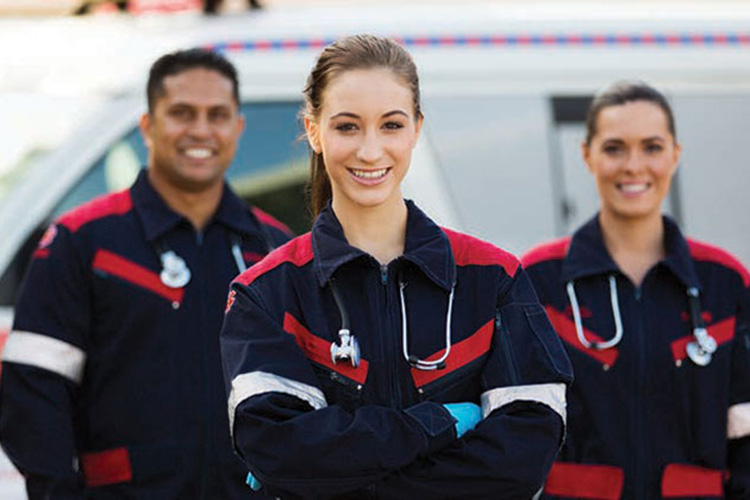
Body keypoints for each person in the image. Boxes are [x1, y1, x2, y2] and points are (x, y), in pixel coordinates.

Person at [220, 34, 573, 499]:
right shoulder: (265, 293)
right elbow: (281, 453)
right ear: (313, 130)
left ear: (417, 128)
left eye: (391, 125)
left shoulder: (493, 278)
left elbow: (524, 458)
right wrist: (436, 423)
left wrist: (355, 471)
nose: (370, 151)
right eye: (347, 127)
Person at [0, 48, 292, 498]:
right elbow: (32, 393)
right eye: (181, 113)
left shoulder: (274, 248)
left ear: (237, 128)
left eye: (217, 115)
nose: (200, 130)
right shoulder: (82, 240)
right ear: (147, 126)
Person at [522, 81, 750, 498]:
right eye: (614, 148)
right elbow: (515, 434)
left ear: (675, 155)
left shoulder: (725, 282)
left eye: (652, 147)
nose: (633, 165)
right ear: (587, 154)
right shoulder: (539, 280)